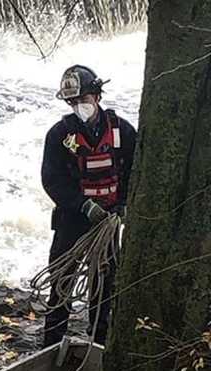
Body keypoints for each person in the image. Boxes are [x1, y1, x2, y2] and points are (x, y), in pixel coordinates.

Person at [41, 64, 137, 346]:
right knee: (62, 283)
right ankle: (52, 343)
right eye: (73, 102)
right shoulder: (59, 135)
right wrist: (83, 206)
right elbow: (52, 180)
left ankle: (99, 340)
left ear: (97, 97)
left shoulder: (123, 131)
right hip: (72, 220)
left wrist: (123, 204)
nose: (79, 106)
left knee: (104, 286)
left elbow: (134, 170)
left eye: (83, 100)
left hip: (107, 223)